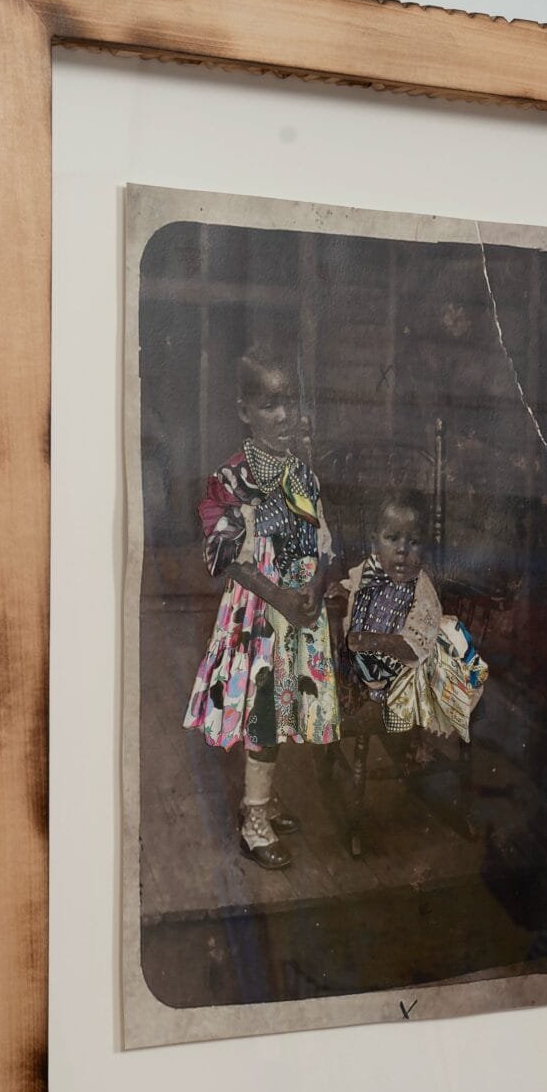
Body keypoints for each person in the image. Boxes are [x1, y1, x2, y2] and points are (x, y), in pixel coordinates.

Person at [184, 349, 340, 869]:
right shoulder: (230, 480)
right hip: (259, 616)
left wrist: (314, 586)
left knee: (284, 707)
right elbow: (227, 558)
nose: (284, 414)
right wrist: (281, 599)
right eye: (270, 404)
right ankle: (253, 819)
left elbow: (322, 541)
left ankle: (264, 797)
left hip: (298, 612)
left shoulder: (303, 475)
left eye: (291, 401)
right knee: (264, 712)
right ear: (245, 410)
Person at [339, 489, 488, 741]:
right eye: (392, 538)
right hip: (368, 659)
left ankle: (401, 709)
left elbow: (415, 649)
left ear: (425, 548)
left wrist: (375, 641)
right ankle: (368, 689)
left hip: (410, 664)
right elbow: (353, 585)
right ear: (375, 542)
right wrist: (341, 590)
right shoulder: (370, 569)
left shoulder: (421, 590)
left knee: (416, 674)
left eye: (414, 542)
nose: (402, 550)